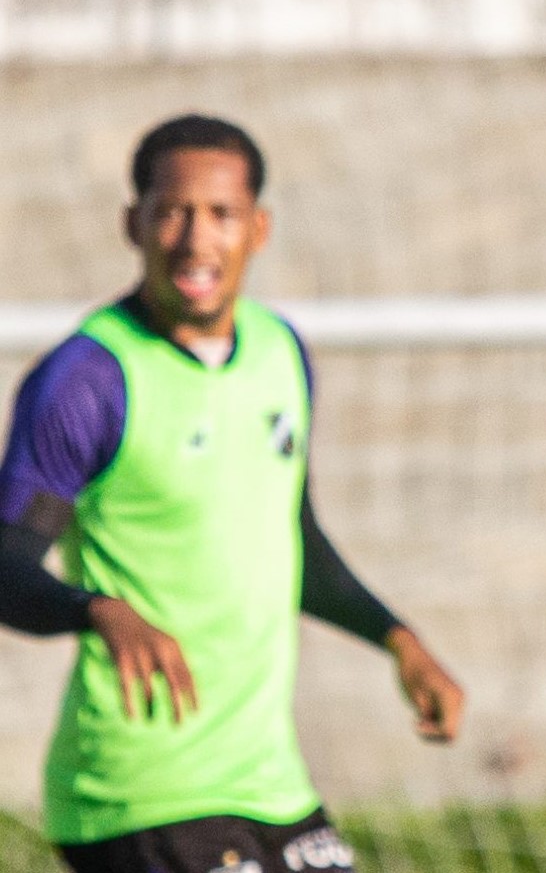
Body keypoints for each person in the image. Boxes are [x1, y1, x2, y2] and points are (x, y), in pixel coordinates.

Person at [0, 115, 465, 873]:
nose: (195, 239)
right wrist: (98, 609)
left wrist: (398, 639)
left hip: (271, 782)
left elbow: (293, 541)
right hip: (140, 791)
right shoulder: (88, 380)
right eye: (172, 211)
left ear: (258, 227)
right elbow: (6, 562)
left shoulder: (281, 353)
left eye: (220, 214)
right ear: (134, 223)